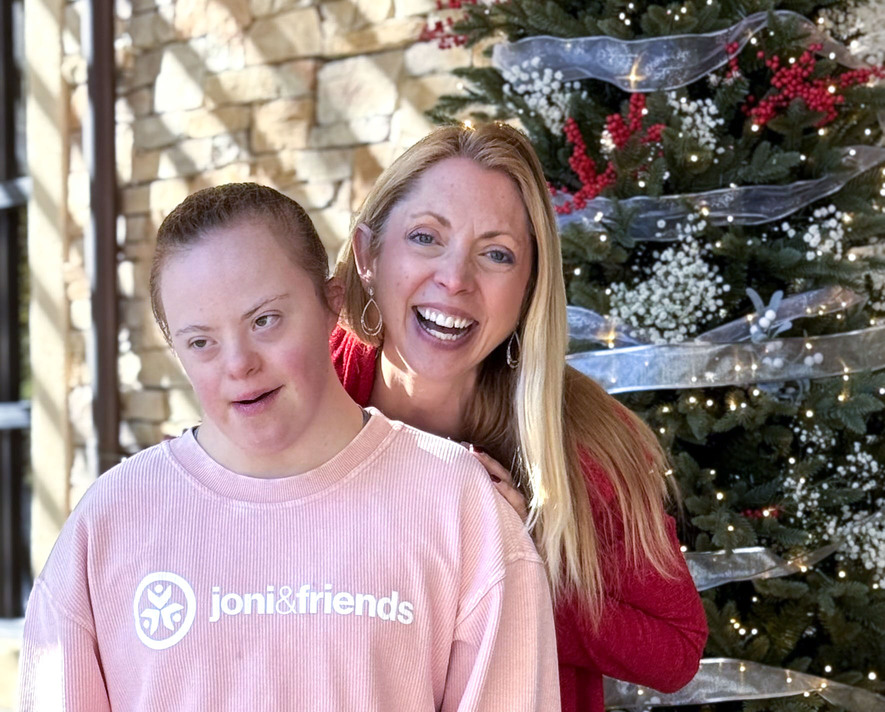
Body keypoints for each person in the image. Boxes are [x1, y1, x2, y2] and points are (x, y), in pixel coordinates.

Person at [18, 183, 560, 711]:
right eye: (201, 342)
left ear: (329, 305)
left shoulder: (459, 505)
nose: (238, 364)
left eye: (265, 321)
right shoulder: (109, 523)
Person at [332, 123, 709, 712]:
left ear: (529, 289)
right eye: (426, 237)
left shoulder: (581, 439)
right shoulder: (308, 384)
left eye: (497, 254)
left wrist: (525, 564)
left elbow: (675, 650)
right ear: (368, 255)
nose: (455, 279)